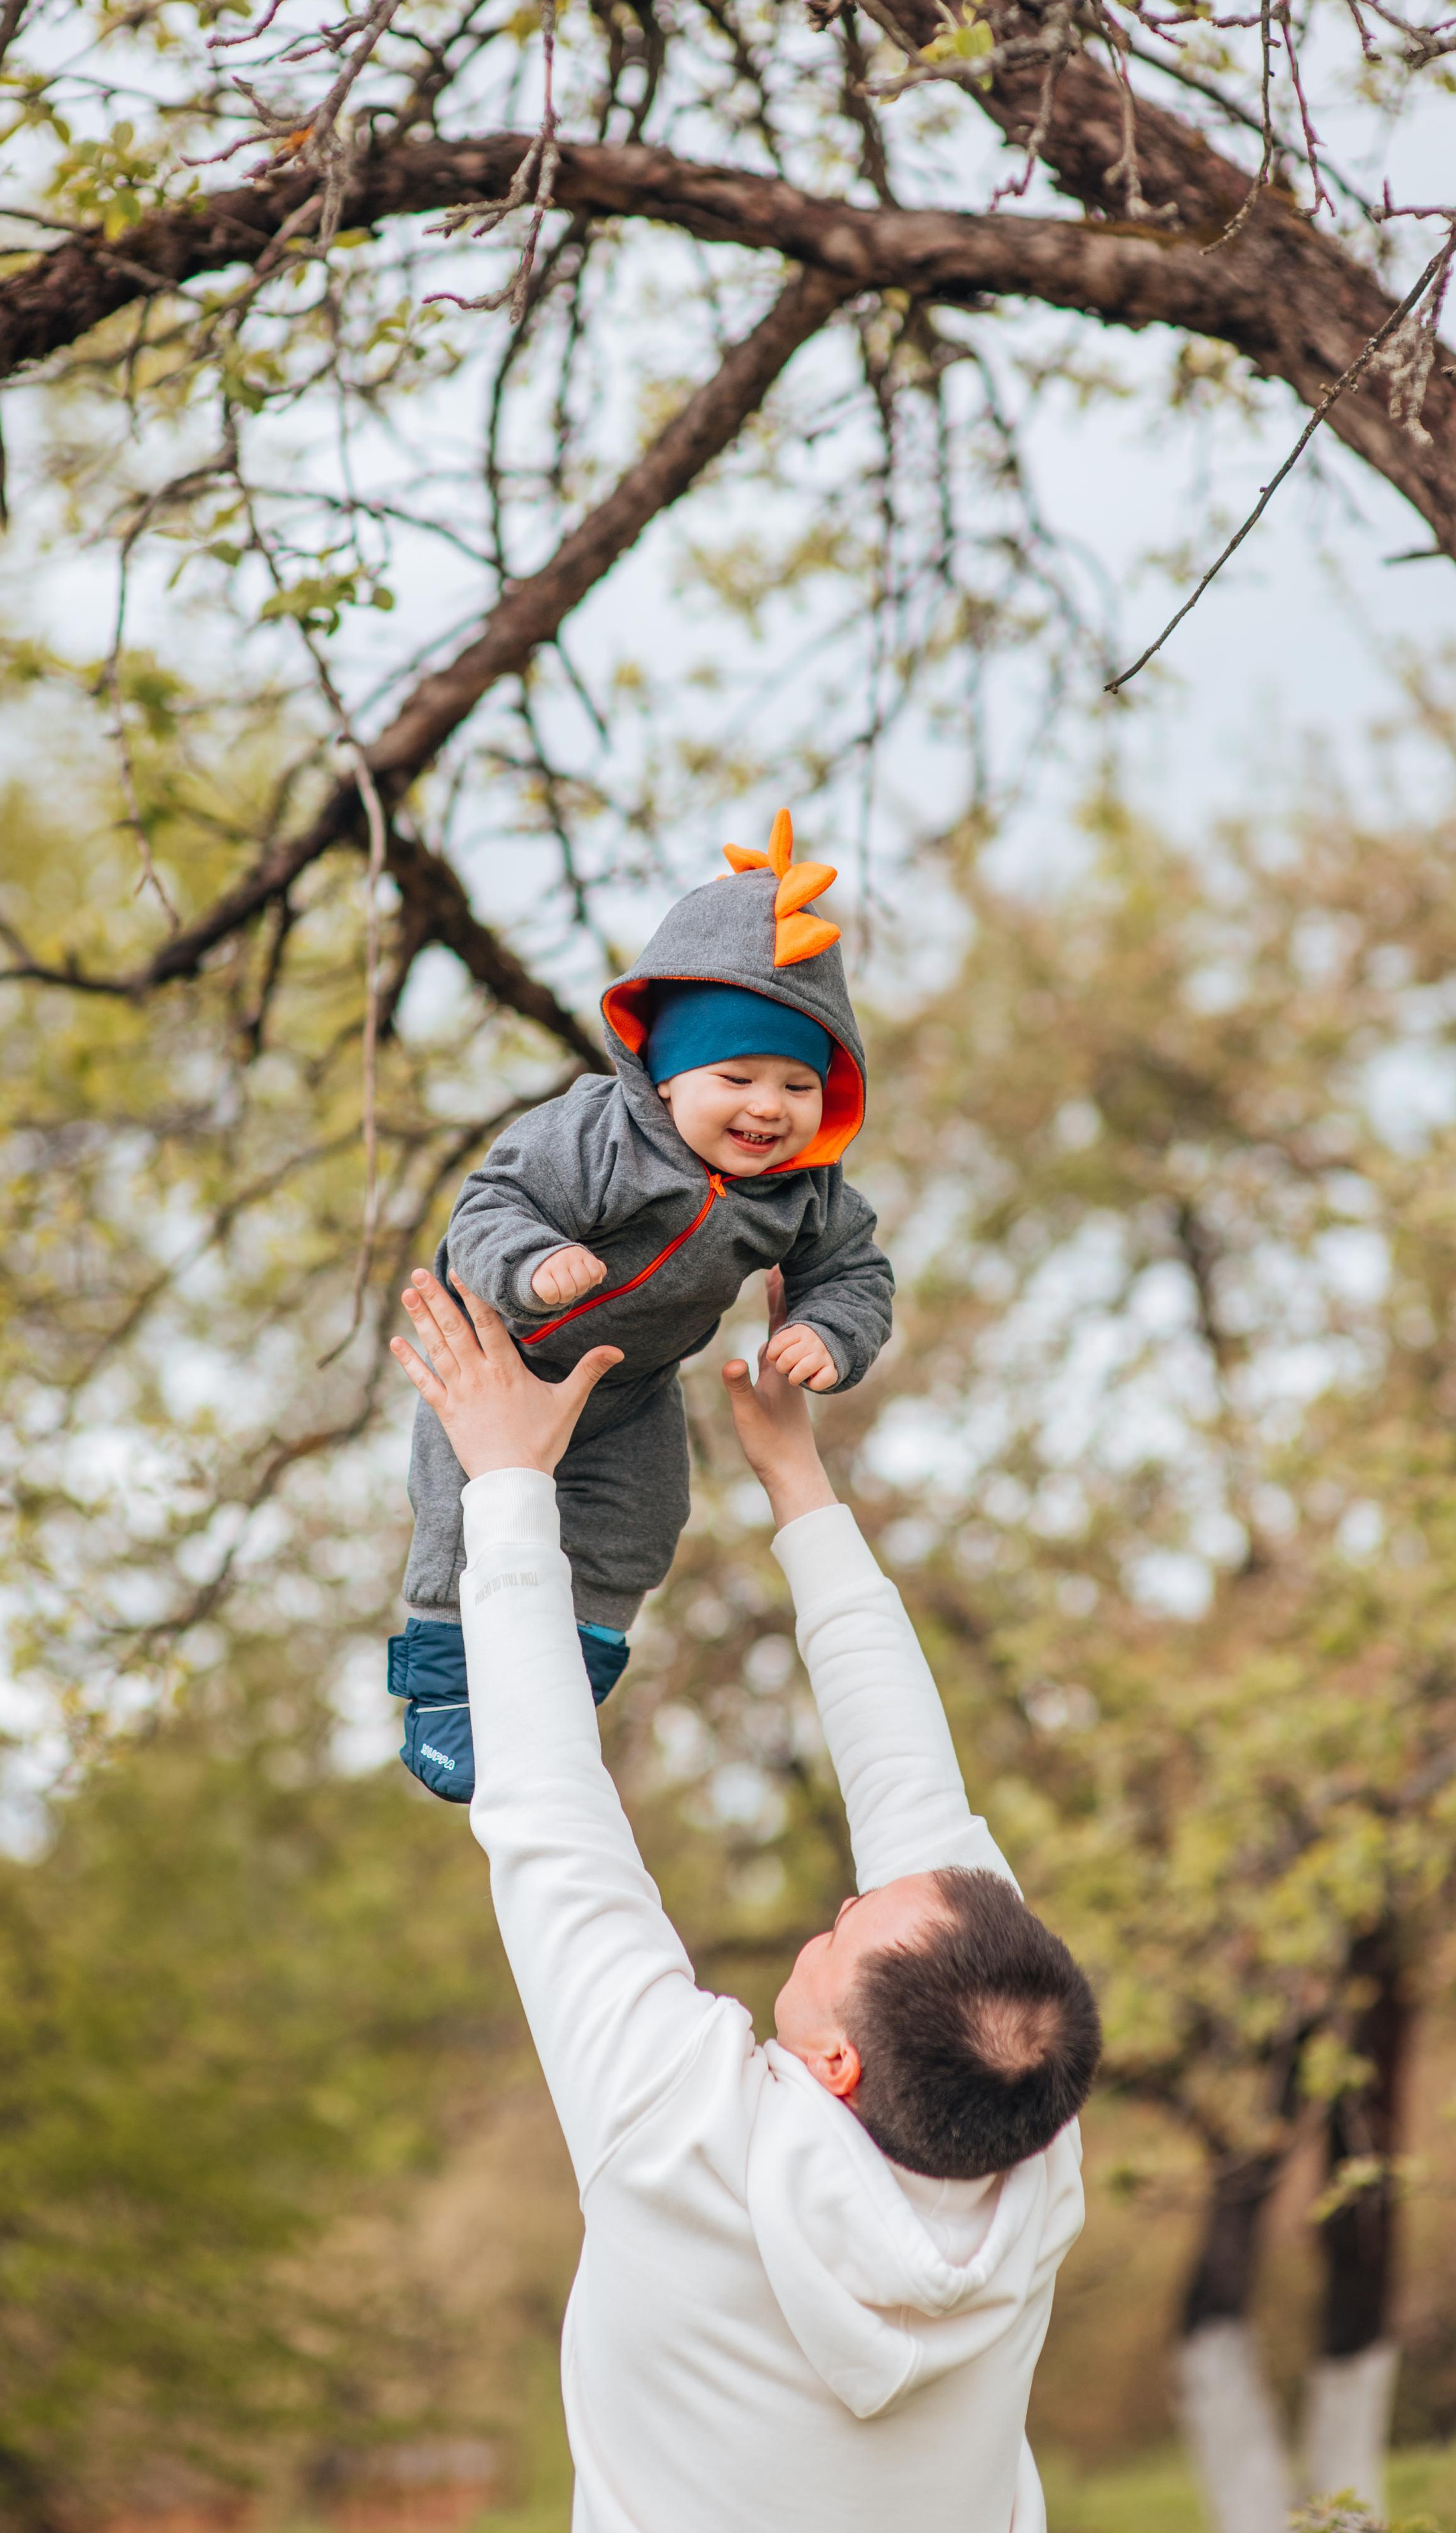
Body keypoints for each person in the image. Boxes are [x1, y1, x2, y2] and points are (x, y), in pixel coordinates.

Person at [388, 1264, 1101, 2533]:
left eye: (839, 1940)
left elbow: (550, 1817)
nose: (834, 1914)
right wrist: (798, 1484)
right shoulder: (1021, 2146)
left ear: (834, 2060)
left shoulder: (685, 2137)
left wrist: (503, 1487)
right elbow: (913, 1796)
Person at [388, 810, 894, 1802]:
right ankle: (446, 1691)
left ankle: (578, 1653)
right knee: (459, 1509)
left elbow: (857, 1271)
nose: (768, 1107)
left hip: (631, 1385)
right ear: (664, 1076)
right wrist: (535, 1263)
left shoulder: (802, 1194)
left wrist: (827, 1331)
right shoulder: (595, 1135)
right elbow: (493, 1201)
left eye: (800, 1085)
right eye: (737, 1076)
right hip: (499, 1363)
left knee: (647, 1513)